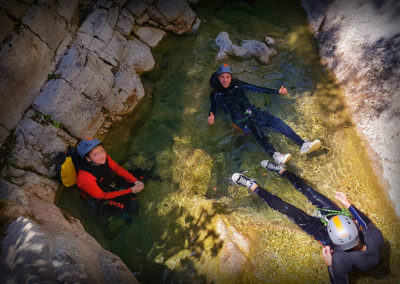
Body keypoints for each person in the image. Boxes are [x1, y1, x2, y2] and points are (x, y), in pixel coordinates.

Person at [231, 161, 383, 283]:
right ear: (356, 230)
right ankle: (282, 171)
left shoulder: (341, 260)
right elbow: (366, 221)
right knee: (310, 193)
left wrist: (329, 264)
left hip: (324, 235)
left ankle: (253, 186)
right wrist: (348, 204)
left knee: (286, 208)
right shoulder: (374, 237)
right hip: (338, 220)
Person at [207, 63, 321, 164]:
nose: (225, 80)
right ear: (218, 78)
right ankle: (275, 155)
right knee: (257, 131)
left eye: (227, 77)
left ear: (231, 77)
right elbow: (213, 109)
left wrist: (277, 92)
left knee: (276, 121)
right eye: (222, 77)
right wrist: (211, 118)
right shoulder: (216, 94)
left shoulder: (237, 84)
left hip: (253, 112)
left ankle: (302, 144)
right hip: (241, 121)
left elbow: (257, 88)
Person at [76, 138, 145, 215]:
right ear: (88, 159)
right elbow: (102, 196)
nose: (101, 156)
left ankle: (127, 193)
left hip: (106, 184)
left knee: (138, 174)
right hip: (99, 198)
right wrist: (130, 190)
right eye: (96, 154)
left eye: (102, 151)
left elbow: (116, 168)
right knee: (133, 206)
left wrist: (135, 180)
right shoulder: (85, 178)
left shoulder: (102, 159)